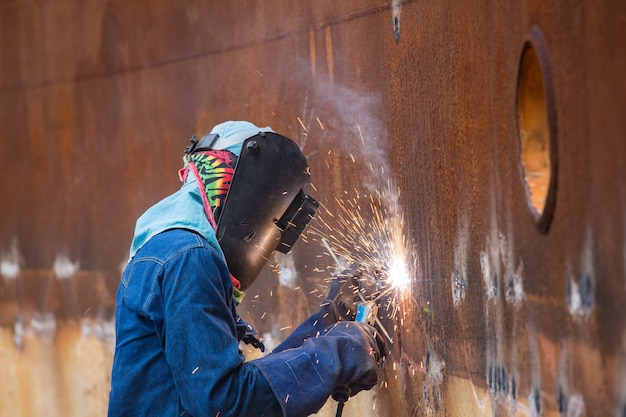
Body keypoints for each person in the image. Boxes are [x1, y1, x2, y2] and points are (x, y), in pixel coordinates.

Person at [107, 121, 381, 417]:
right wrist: (337, 354)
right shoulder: (189, 259)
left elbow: (234, 392)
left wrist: (328, 323)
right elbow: (224, 403)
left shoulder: (169, 248)